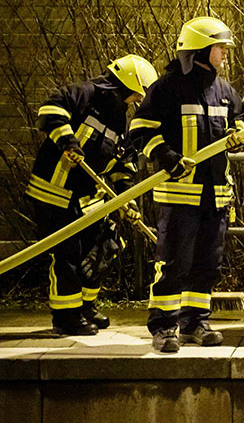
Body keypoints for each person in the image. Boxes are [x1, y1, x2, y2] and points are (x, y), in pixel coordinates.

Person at [128, 17, 244, 353]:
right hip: (180, 195)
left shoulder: (225, 91)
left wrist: (237, 133)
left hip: (217, 195)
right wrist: (166, 156)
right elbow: (140, 130)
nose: (224, 53)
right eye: (220, 47)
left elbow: (241, 119)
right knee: (174, 264)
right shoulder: (167, 88)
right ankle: (165, 326)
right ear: (200, 49)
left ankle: (196, 322)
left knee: (208, 264)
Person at [27, 54, 158, 335]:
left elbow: (123, 166)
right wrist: (68, 142)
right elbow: (50, 111)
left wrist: (127, 201)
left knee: (103, 249)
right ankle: (66, 317)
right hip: (55, 193)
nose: (138, 100)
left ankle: (85, 307)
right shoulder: (83, 95)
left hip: (89, 199)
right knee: (68, 254)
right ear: (126, 84)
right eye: (138, 94)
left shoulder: (119, 120)